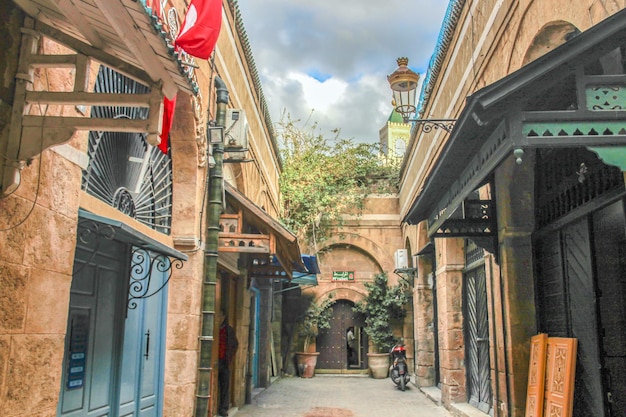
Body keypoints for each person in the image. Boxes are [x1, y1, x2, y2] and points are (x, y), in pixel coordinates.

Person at [218, 309, 238, 417]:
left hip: (224, 361)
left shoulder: (228, 330)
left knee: (225, 385)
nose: (219, 318)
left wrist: (229, 357)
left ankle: (223, 409)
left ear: (224, 316)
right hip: (214, 362)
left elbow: (235, 344)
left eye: (220, 315)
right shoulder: (211, 328)